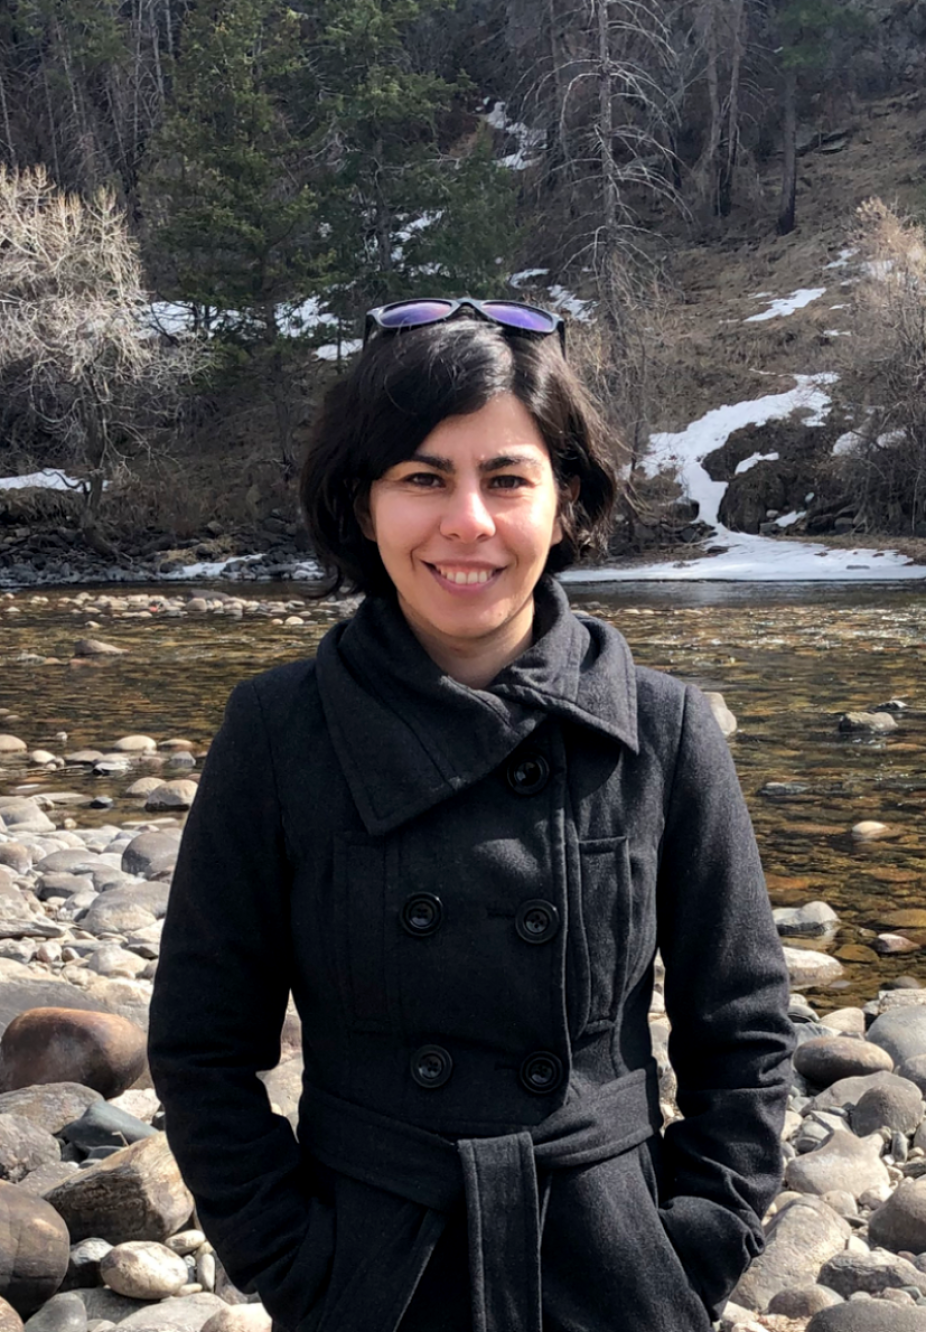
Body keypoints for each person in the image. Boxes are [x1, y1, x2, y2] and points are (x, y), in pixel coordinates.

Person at [148, 296, 795, 1332]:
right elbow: (199, 1046)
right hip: (374, 1275)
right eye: (421, 478)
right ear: (362, 504)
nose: (468, 523)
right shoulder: (277, 731)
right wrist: (295, 1261)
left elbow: (743, 1029)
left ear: (565, 500)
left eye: (506, 479)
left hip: (611, 1272)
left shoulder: (663, 728)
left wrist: (697, 1240)